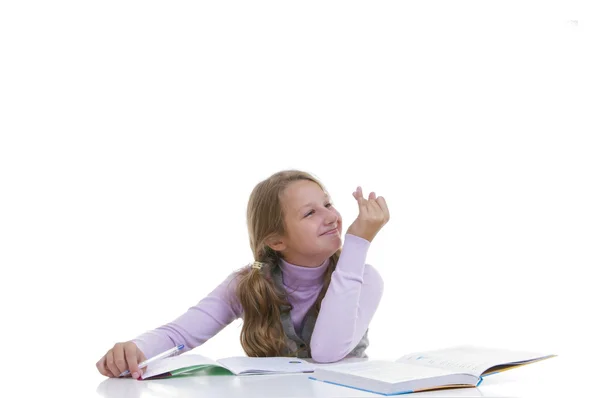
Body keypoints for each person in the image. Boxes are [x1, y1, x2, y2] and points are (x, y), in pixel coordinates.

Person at [96, 169, 390, 379]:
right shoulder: (249, 283)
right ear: (276, 241)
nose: (331, 216)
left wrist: (358, 243)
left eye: (328, 204)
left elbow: (327, 352)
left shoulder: (364, 278)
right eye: (310, 213)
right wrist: (135, 349)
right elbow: (181, 333)